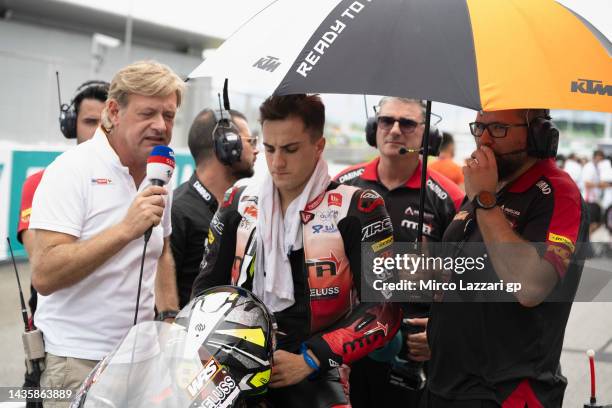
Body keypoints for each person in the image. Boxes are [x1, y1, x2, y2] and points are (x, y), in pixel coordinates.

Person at [192, 94, 401, 407]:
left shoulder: (358, 208)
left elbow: (386, 307)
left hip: (318, 372)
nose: (277, 162)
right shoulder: (237, 200)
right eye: (269, 148)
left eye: (290, 149)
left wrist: (311, 358)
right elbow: (205, 293)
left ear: (318, 147)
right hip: (232, 371)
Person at [29, 60, 184, 407]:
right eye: (148, 113)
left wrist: (170, 318)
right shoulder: (71, 170)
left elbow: (162, 252)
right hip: (77, 364)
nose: (161, 126)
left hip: (144, 362)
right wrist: (125, 230)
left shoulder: (160, 174)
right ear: (113, 111)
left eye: (169, 115)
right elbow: (44, 274)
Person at [424, 109, 588, 407]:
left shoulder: (556, 192)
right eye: (479, 127)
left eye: (498, 128)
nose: (484, 139)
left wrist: (485, 202)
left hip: (504, 393)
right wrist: (438, 331)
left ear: (537, 133)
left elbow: (530, 287)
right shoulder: (487, 187)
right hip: (444, 382)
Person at [335, 97, 463, 407]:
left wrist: (441, 333)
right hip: (345, 354)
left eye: (406, 123)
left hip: (413, 360)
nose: (394, 130)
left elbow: (470, 281)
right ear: (373, 128)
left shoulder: (450, 199)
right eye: (385, 121)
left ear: (427, 135)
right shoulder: (340, 187)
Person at [16, 79, 109, 408]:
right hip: (56, 348)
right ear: (71, 126)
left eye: (103, 122)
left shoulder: (130, 181)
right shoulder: (42, 181)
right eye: (88, 122)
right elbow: (40, 257)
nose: (97, 131)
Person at [171, 108, 259, 308]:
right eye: (250, 141)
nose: (257, 150)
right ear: (226, 144)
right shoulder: (177, 211)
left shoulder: (242, 210)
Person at [583, 150, 606, 234]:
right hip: (589, 200)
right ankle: (585, 244)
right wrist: (600, 185)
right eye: (600, 158)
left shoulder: (596, 167)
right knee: (591, 224)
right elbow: (587, 184)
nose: (601, 160)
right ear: (595, 157)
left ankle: (587, 241)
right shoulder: (589, 167)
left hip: (595, 200)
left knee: (597, 223)